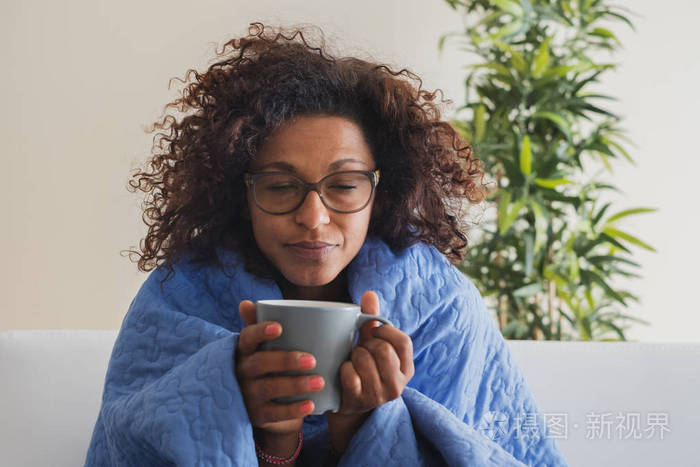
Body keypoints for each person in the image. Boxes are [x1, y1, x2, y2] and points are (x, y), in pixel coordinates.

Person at [85, 22, 568, 466]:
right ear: (240, 193)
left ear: (381, 193)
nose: (313, 218)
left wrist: (362, 426)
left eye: (344, 185)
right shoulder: (176, 301)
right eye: (278, 186)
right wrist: (269, 433)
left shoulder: (441, 308)